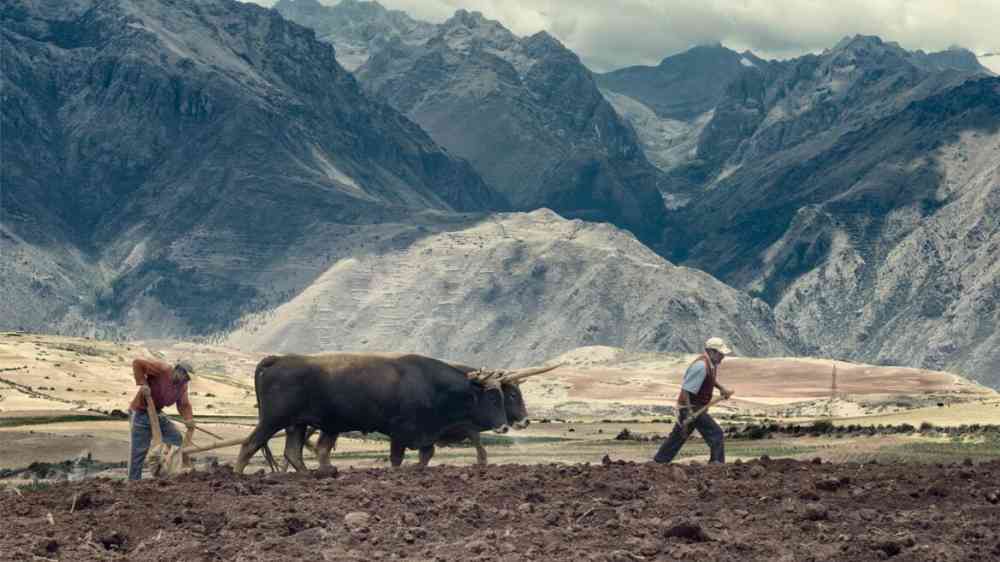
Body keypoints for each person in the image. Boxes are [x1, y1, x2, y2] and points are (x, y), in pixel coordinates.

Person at [654, 337, 734, 464]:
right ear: (711, 351)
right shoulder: (701, 366)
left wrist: (721, 388)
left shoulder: (711, 364)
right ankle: (717, 464)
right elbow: (686, 390)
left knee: (679, 436)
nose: (722, 357)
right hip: (691, 407)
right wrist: (690, 412)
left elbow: (709, 379)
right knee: (716, 433)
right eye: (720, 354)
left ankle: (659, 461)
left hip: (694, 407)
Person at [127, 358, 196, 480]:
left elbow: (183, 404)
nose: (186, 380)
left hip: (157, 413)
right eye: (185, 376)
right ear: (178, 370)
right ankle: (133, 482)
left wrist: (188, 419)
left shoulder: (182, 386)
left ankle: (166, 472)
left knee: (175, 438)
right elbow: (137, 363)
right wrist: (143, 383)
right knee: (138, 451)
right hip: (140, 412)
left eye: (188, 378)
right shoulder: (162, 369)